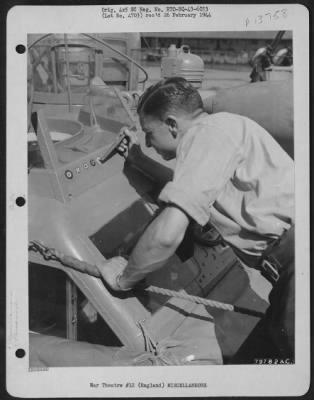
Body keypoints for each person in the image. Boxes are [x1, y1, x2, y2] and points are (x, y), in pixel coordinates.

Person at [98, 77, 295, 361]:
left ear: (172, 124)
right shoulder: (224, 127)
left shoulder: (205, 136)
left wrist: (124, 278)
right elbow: (193, 191)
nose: (149, 144)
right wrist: (139, 160)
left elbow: (168, 233)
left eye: (149, 133)